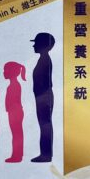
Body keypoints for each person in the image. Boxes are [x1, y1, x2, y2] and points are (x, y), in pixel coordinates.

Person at [30, 33, 55, 162]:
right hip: (42, 97)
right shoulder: (43, 59)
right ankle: (45, 154)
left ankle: (46, 155)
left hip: (44, 98)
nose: (34, 46)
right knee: (44, 125)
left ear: (43, 45)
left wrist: (43, 99)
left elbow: (45, 82)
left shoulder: (45, 60)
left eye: (36, 43)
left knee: (45, 125)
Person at [3, 61, 26, 162]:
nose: (3, 72)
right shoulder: (13, 84)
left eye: (5, 70)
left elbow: (14, 101)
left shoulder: (14, 85)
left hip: (15, 112)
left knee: (16, 134)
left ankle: (17, 156)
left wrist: (11, 110)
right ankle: (17, 155)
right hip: (14, 111)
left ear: (11, 72)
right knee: (16, 134)